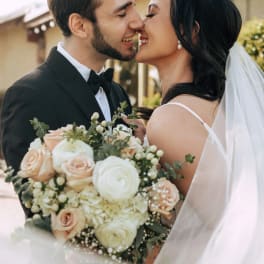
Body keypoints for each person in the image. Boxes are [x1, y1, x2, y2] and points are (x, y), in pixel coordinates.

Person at [136, 0, 264, 263]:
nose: (140, 22)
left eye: (151, 13)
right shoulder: (212, 108)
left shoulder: (170, 120)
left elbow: (238, 226)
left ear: (190, 32)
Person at [0, 0, 144, 217]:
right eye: (122, 13)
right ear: (79, 26)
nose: (137, 21)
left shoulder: (117, 93)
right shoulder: (28, 95)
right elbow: (40, 210)